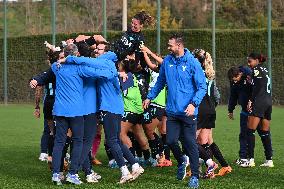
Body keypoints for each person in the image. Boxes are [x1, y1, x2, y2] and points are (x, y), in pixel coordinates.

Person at [61, 42, 144, 184]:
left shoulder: (104, 61)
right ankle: (135, 165)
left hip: (109, 108)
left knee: (110, 141)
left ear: (107, 53)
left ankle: (124, 171)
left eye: (99, 49)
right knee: (115, 140)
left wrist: (68, 59)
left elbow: (88, 62)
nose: (96, 51)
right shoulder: (109, 62)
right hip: (115, 107)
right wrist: (119, 74)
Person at [143, 33, 207, 188]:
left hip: (188, 112)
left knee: (190, 143)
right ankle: (181, 162)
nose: (168, 47)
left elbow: (202, 87)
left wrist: (194, 104)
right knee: (170, 141)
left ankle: (195, 177)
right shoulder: (167, 62)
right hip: (172, 111)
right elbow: (160, 82)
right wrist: (150, 97)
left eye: (170, 45)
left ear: (179, 45)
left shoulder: (192, 62)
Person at [192, 49, 231, 178]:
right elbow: (216, 96)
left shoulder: (195, 73)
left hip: (200, 109)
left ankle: (197, 169)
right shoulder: (209, 75)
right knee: (206, 142)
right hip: (210, 109)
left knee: (190, 141)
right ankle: (216, 169)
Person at [240, 52, 274, 168]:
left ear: (256, 60)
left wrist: (250, 100)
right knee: (265, 132)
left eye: (250, 61)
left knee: (250, 131)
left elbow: (257, 88)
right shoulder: (265, 70)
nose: (248, 64)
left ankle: (251, 159)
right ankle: (269, 160)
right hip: (268, 102)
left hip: (259, 102)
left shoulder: (256, 70)